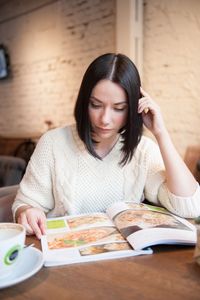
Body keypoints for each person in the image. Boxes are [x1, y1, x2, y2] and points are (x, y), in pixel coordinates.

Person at [12, 53, 200, 239]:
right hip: (65, 259)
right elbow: (25, 203)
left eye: (119, 108)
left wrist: (161, 133)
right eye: (96, 105)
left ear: (134, 107)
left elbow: (190, 206)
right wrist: (26, 211)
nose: (105, 119)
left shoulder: (143, 151)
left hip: (124, 263)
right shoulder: (53, 143)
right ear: (84, 102)